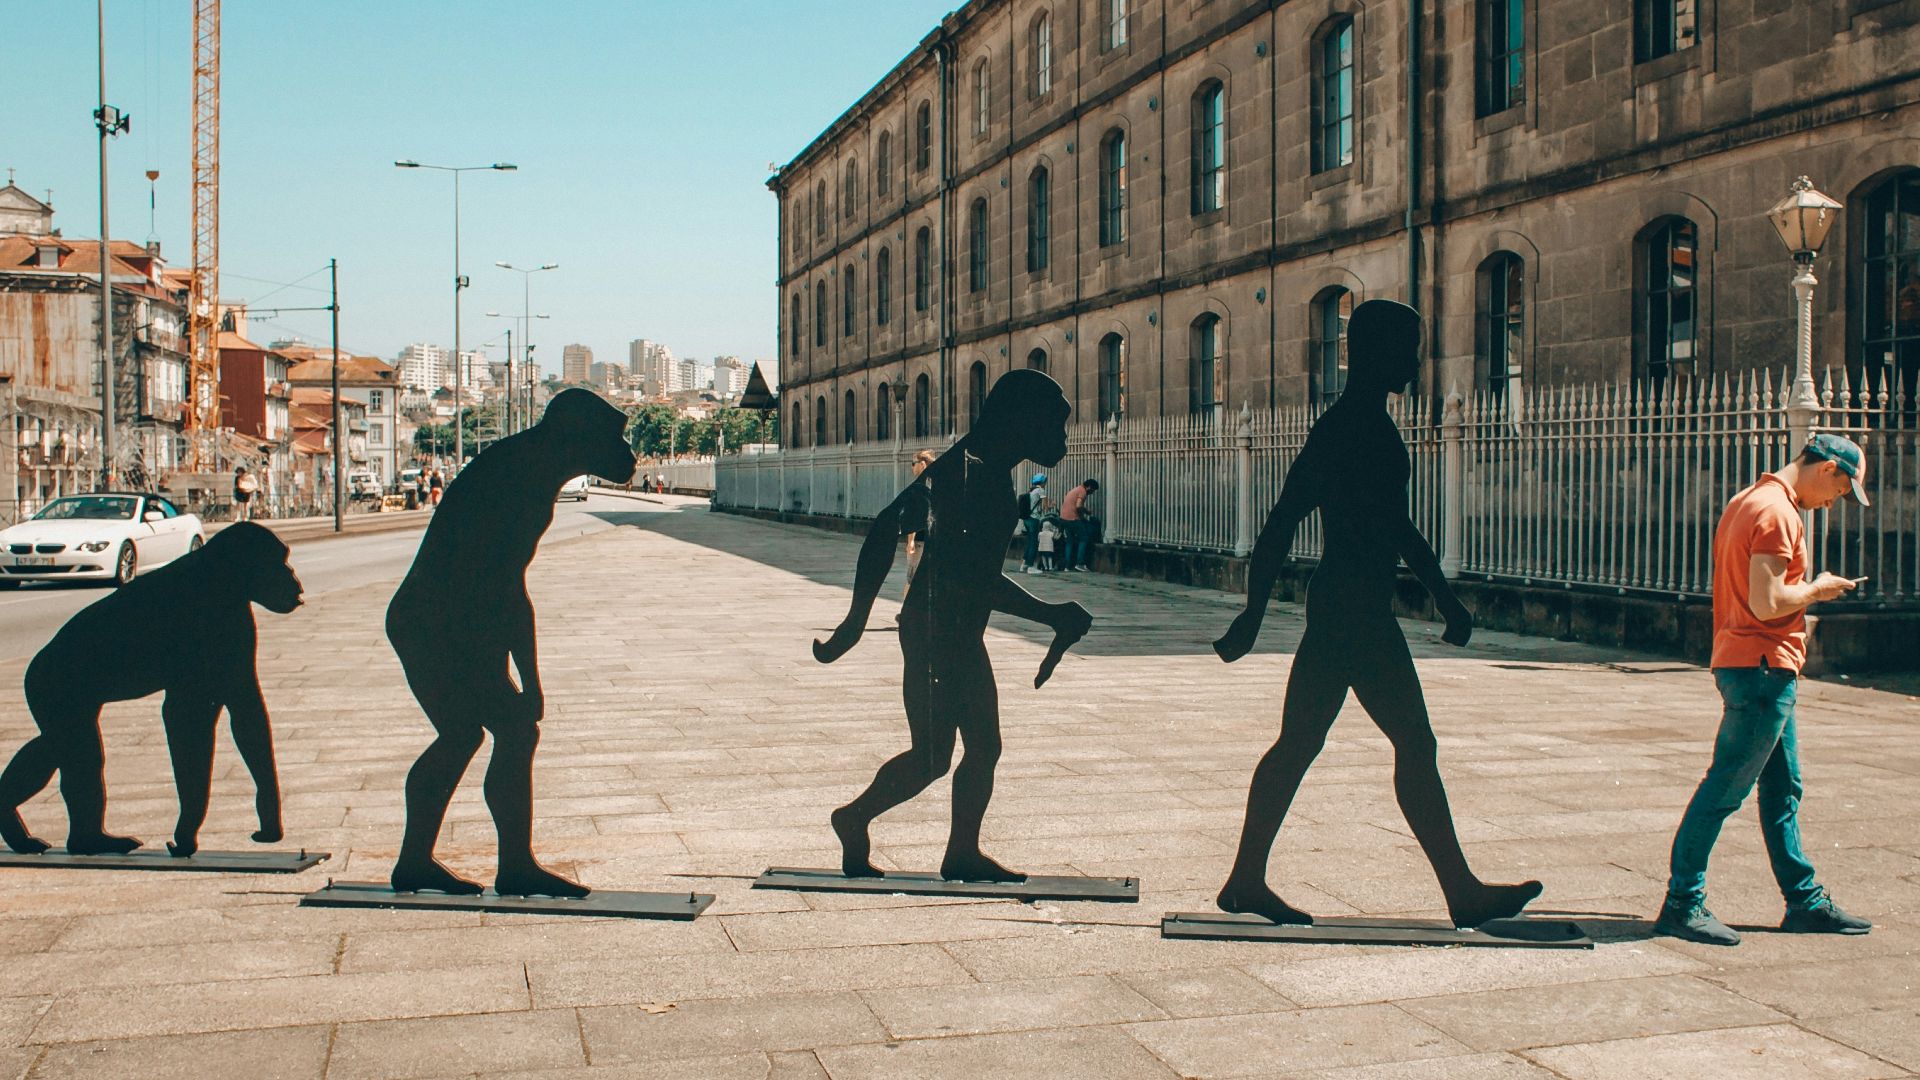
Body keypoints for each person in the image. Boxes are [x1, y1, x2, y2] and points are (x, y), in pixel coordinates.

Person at [1211, 298, 1541, 929]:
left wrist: (1443, 597)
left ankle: (1246, 879)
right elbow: (1301, 522)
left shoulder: (1353, 425)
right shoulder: (1353, 428)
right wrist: (1251, 613)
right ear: (1373, 352)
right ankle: (1461, 892)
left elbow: (1381, 526)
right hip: (1355, 615)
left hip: (1346, 606)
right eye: (1407, 347)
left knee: (1304, 744)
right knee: (1411, 744)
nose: (1415, 361)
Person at [815, 370, 1092, 883]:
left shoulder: (981, 465)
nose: (1063, 440)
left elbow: (967, 572)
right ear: (1023, 421)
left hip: (954, 629)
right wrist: (855, 622)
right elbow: (960, 570)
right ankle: (854, 818)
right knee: (932, 758)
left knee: (980, 748)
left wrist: (857, 621)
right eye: (1056, 426)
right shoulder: (974, 475)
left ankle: (960, 851)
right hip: (936, 630)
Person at [1653, 433, 1873, 946]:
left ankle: (1804, 900)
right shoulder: (1779, 512)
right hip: (1761, 669)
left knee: (1782, 789)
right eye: (1841, 491)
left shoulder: (1748, 500)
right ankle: (1682, 903)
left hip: (1755, 665)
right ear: (1826, 470)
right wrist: (1818, 589)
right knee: (1725, 789)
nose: (1835, 502)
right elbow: (1768, 602)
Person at [901, 449, 937, 601]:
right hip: (931, 540)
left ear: (922, 465)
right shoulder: (934, 485)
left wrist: (910, 542)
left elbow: (914, 516)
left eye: (913, 463)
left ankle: (906, 613)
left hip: (920, 541)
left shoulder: (919, 487)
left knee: (912, 577)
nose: (911, 467)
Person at [1059, 478, 1100, 571]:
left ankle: (1067, 566)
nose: (1092, 493)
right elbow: (1078, 506)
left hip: (1063, 518)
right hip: (1072, 518)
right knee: (1084, 538)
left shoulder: (1075, 489)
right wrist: (1084, 515)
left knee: (1069, 541)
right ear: (1089, 487)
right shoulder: (1082, 492)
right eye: (1092, 490)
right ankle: (1080, 563)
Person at [1021, 474, 1049, 575]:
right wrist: (1052, 505)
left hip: (1027, 519)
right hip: (1034, 519)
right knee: (1034, 543)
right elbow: (1046, 507)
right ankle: (1030, 567)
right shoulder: (1041, 490)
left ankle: (1023, 565)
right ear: (1042, 482)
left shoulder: (1031, 490)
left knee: (1030, 542)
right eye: (1045, 481)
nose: (1045, 484)